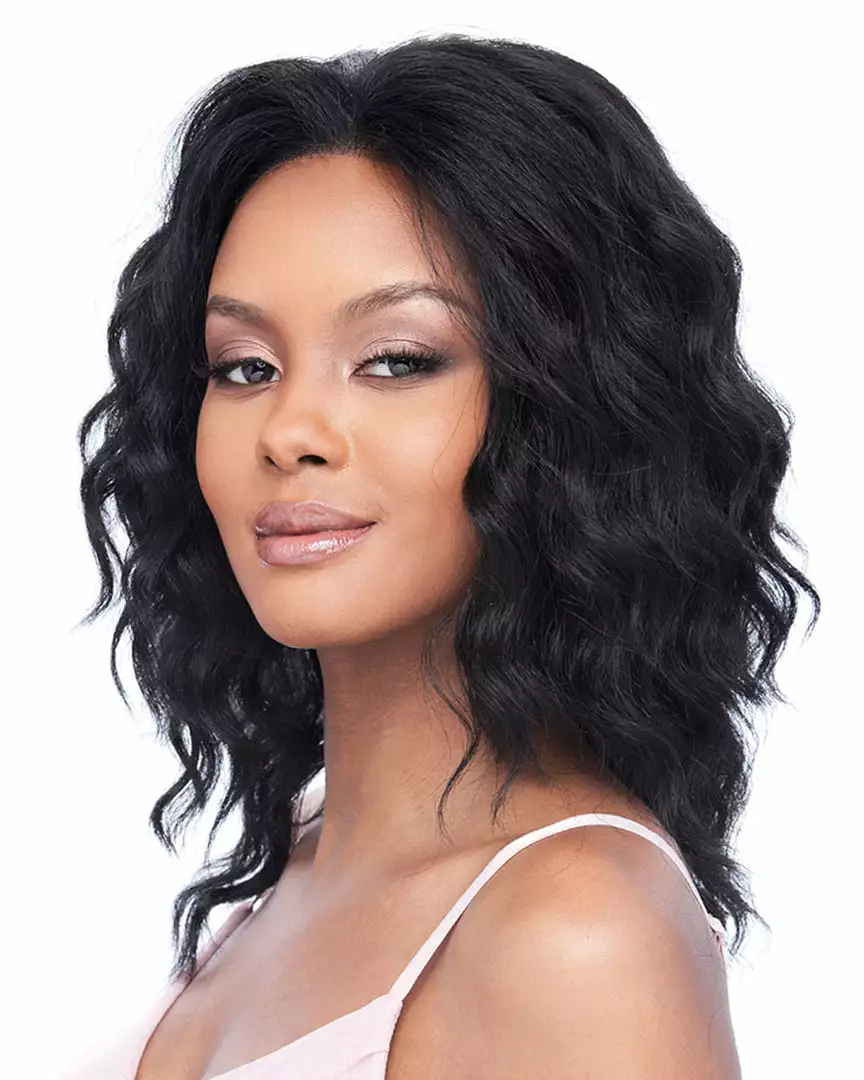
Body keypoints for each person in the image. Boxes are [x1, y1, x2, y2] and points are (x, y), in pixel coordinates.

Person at [70, 31, 819, 1080]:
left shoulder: (576, 932)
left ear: (565, 412)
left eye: (396, 360)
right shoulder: (301, 862)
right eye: (244, 367)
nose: (290, 431)